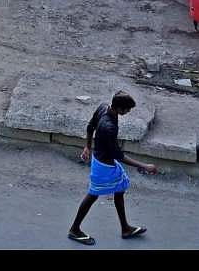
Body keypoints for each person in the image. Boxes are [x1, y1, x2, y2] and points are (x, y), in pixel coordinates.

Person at [67, 91, 157, 245]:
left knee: (119, 188)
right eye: (127, 109)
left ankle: (125, 228)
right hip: (104, 166)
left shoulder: (104, 107)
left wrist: (87, 147)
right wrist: (145, 166)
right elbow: (118, 155)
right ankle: (74, 230)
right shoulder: (109, 127)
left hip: (102, 159)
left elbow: (90, 127)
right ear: (119, 108)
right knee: (93, 194)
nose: (128, 112)